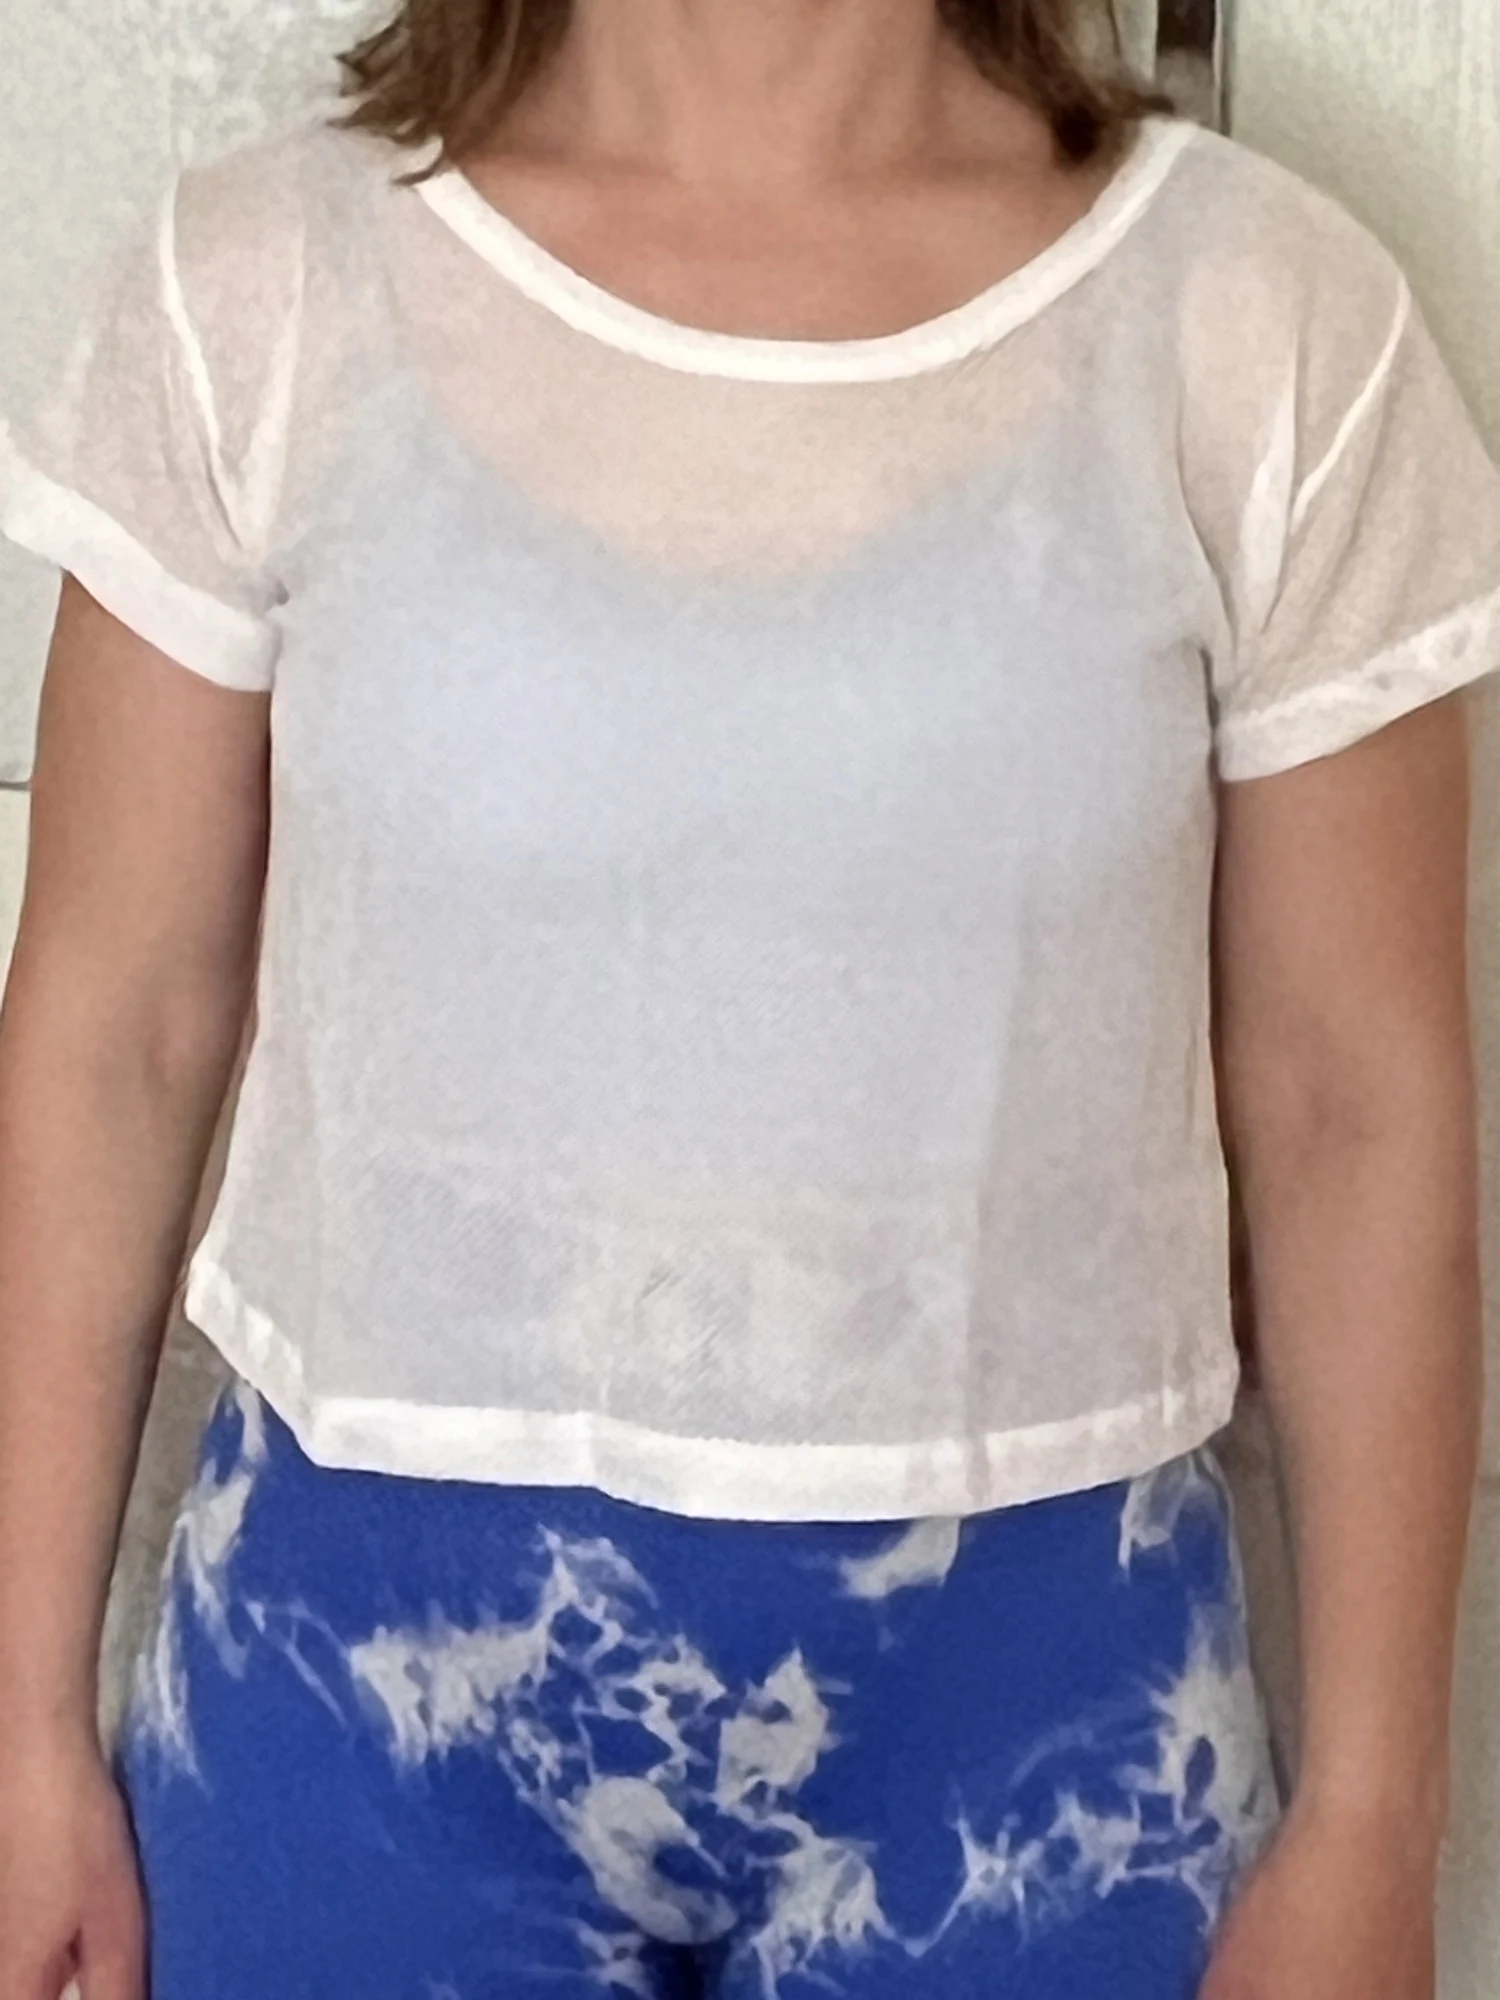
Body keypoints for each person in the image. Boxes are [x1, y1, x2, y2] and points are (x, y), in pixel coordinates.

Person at [1, 1, 1497, 1995]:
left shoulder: (1265, 323)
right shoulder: (260, 293)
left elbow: (1353, 1104)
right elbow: (112, 1036)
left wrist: (1378, 1814)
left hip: (1045, 1733)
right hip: (347, 1706)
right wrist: (14, 1725)